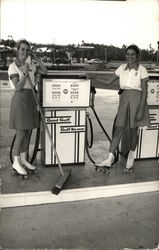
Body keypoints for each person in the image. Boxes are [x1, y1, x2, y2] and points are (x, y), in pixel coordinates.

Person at [94, 44, 150, 172]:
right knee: (118, 128)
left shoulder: (142, 69)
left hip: (137, 101)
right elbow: (108, 81)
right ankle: (109, 158)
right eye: (127, 54)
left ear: (137, 56)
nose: (129, 57)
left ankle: (131, 156)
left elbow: (144, 92)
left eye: (132, 54)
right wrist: (93, 77)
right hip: (124, 100)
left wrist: (141, 110)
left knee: (132, 131)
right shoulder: (121, 68)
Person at [8, 39, 48, 176]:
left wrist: (36, 58)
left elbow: (45, 71)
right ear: (17, 50)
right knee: (20, 134)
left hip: (31, 99)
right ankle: (16, 162)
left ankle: (24, 159)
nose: (24, 52)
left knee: (27, 133)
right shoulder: (13, 67)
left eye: (27, 49)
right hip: (20, 101)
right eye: (22, 49)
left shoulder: (30, 65)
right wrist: (24, 73)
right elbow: (18, 87)